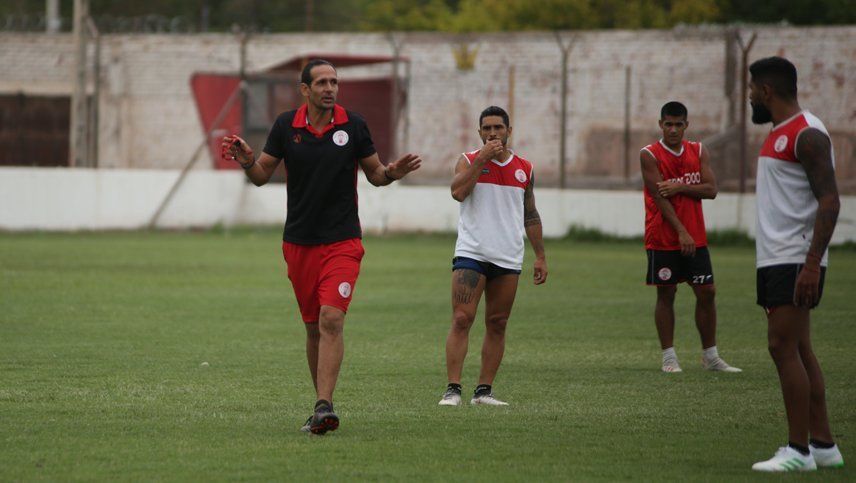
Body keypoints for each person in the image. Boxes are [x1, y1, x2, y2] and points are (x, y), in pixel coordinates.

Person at [221, 59, 421, 435]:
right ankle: (319, 409)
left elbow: (376, 174)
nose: (330, 88)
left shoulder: (353, 124)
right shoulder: (286, 126)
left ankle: (324, 405)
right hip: (299, 243)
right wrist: (247, 161)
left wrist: (392, 173)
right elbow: (261, 175)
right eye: (322, 82)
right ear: (305, 89)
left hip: (343, 240)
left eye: (334, 82)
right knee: (313, 327)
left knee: (332, 318)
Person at [747, 57, 844, 472]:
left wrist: (811, 264)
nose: (750, 96)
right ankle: (823, 445)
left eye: (752, 89)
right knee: (799, 348)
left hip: (794, 258)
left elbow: (830, 200)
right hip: (778, 257)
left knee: (781, 347)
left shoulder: (806, 134)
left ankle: (798, 451)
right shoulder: (779, 133)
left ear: (766, 91)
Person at [438, 105, 547, 407]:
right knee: (462, 318)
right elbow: (458, 193)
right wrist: (482, 160)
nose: (492, 133)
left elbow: (530, 213)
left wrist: (540, 255)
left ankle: (483, 391)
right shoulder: (468, 160)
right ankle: (452, 389)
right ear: (479, 132)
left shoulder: (525, 168)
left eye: (498, 127)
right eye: (486, 128)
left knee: (498, 323)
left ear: (509, 131)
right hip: (471, 252)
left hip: (508, 256)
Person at [640, 101, 741, 374]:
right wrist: (681, 231)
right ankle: (669, 358)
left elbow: (711, 190)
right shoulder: (649, 154)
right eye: (668, 124)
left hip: (696, 237)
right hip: (663, 237)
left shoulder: (698, 151)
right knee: (666, 293)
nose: (673, 129)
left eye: (678, 124)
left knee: (707, 292)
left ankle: (711, 357)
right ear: (660, 125)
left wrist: (680, 186)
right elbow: (659, 197)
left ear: (686, 125)